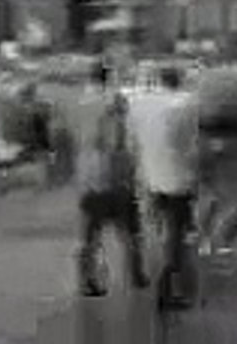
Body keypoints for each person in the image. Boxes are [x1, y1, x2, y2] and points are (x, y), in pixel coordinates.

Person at [76, 62, 149, 297]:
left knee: (90, 232)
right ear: (107, 77)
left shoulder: (80, 103)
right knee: (130, 229)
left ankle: (86, 278)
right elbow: (117, 140)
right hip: (112, 174)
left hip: (88, 175)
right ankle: (136, 274)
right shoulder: (114, 102)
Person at [134, 66, 199, 308]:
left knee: (160, 229)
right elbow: (191, 143)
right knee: (177, 234)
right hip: (179, 178)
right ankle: (168, 287)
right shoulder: (186, 104)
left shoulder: (141, 103)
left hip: (151, 176)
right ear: (179, 80)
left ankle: (165, 276)